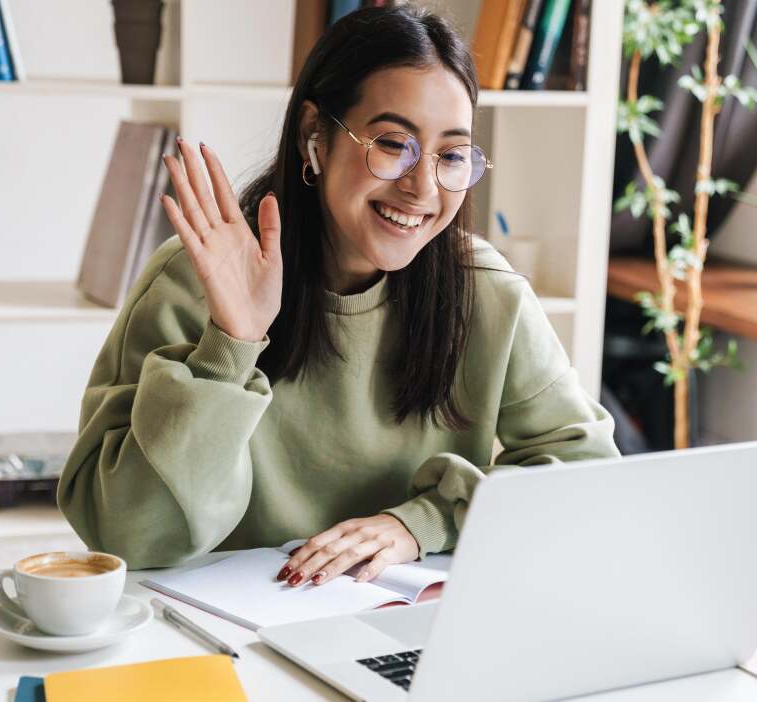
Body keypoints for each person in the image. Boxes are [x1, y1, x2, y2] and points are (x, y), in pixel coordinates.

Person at [58, 4, 619, 588]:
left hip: (409, 622)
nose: (422, 187)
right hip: (226, 633)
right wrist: (232, 344)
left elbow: (589, 479)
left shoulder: (484, 291)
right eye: (392, 143)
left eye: (451, 154)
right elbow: (127, 536)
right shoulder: (193, 278)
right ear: (315, 137)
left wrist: (425, 522)